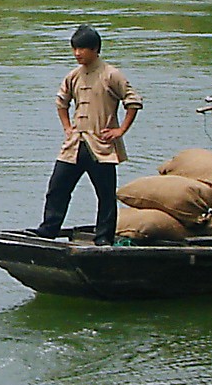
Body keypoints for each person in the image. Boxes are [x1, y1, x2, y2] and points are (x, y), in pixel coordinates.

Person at [33, 25, 143, 245]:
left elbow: (133, 101)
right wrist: (67, 128)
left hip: (100, 145)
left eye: (82, 49)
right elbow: (61, 103)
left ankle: (103, 238)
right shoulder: (73, 76)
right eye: (74, 49)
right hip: (75, 144)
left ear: (95, 49)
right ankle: (48, 229)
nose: (77, 54)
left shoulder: (111, 74)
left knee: (105, 195)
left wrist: (120, 130)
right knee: (57, 187)